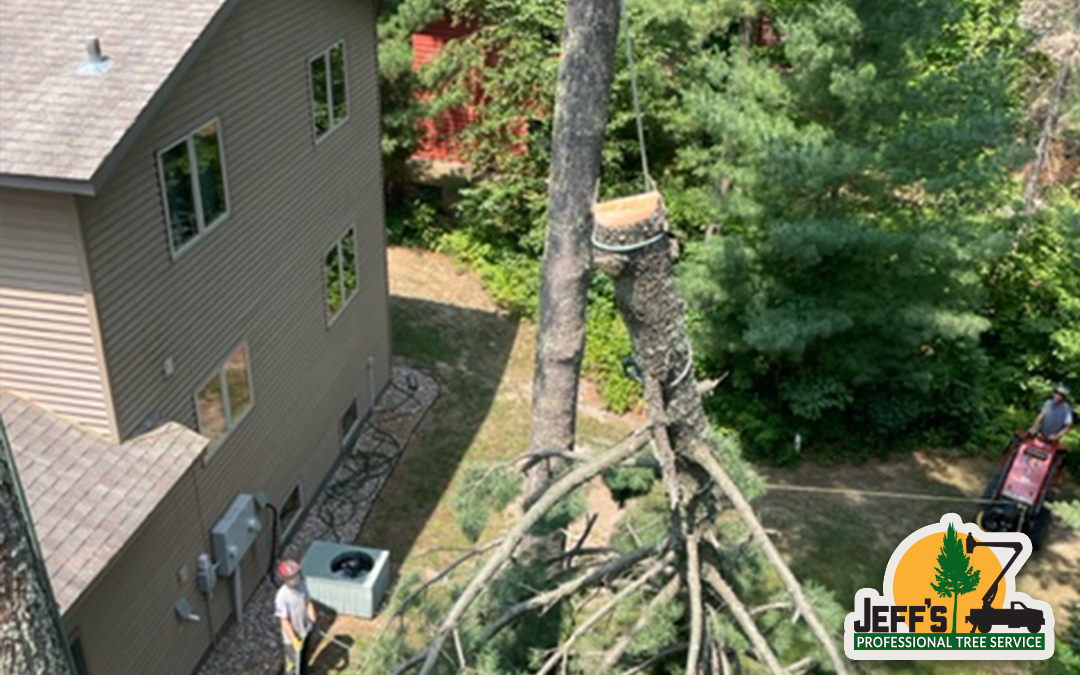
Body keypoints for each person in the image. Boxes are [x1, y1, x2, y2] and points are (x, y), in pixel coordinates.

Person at [275, 559, 317, 675]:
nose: (297, 578)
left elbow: (308, 603)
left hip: (305, 631)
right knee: (293, 664)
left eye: (298, 574)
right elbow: (284, 621)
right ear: (286, 579)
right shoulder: (282, 596)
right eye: (294, 577)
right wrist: (294, 640)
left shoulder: (302, 585)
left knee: (304, 657)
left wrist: (312, 620)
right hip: (291, 639)